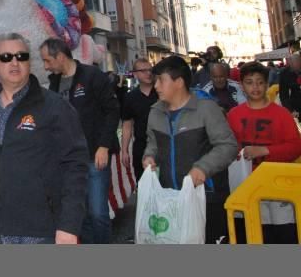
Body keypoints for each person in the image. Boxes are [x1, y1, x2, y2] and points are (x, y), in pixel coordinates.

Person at [0, 33, 88, 244]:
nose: (14, 62)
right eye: (6, 57)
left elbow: (75, 166)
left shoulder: (54, 107)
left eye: (21, 56)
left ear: (29, 62)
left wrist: (69, 225)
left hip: (41, 230)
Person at [143, 56, 238, 244]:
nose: (156, 86)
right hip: (170, 199)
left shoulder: (206, 109)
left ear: (179, 82)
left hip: (205, 198)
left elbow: (228, 146)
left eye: (161, 80)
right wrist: (149, 156)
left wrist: (203, 168)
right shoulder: (155, 111)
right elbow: (152, 142)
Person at [40, 38, 120, 244]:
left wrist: (104, 146)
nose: (45, 66)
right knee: (80, 214)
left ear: (60, 56)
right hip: (69, 161)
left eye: (47, 60)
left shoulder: (92, 76)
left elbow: (112, 111)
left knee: (98, 213)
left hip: (95, 155)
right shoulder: (54, 83)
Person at [226, 61, 301, 243]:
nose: (255, 87)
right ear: (242, 86)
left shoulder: (282, 114)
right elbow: (228, 146)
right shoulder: (234, 115)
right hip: (247, 185)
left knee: (284, 236)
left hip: (278, 187)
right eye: (250, 82)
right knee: (254, 234)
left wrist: (265, 150)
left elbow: (296, 146)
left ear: (267, 84)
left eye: (260, 82)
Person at [121, 58, 158, 181]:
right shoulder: (130, 97)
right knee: (143, 184)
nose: (148, 73)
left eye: (150, 70)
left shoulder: (161, 93)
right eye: (143, 71)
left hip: (162, 143)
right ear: (135, 74)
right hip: (141, 146)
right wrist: (125, 150)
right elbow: (127, 125)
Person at [278, 53, 301, 119]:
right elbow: (283, 95)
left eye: (298, 63)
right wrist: (290, 110)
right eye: (293, 65)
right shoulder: (284, 74)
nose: (296, 67)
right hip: (296, 107)